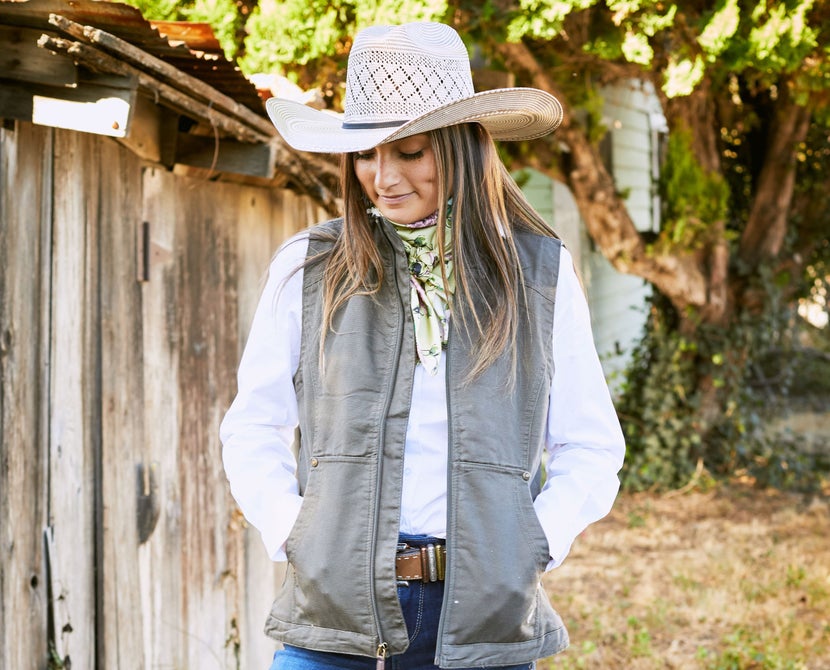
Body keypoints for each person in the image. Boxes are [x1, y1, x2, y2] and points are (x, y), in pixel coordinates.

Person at [220, 21, 625, 670]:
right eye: (365, 153)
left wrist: (533, 541)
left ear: (460, 148)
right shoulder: (309, 267)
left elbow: (590, 443)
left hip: (484, 617)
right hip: (334, 617)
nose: (382, 177)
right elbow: (253, 426)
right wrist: (295, 533)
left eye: (408, 152)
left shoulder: (537, 275)